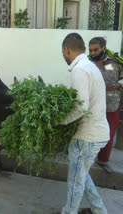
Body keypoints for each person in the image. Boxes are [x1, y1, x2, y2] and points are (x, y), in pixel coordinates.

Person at [54, 33, 110, 214]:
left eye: (63, 53)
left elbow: (80, 108)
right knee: (82, 174)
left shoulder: (79, 70)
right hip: (97, 132)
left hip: (86, 137)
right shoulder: (89, 66)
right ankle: (98, 209)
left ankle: (69, 212)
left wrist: (59, 121)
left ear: (66, 50)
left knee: (75, 181)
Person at [89, 37, 123, 173]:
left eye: (95, 49)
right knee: (90, 133)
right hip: (92, 105)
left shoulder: (115, 62)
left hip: (111, 104)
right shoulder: (87, 62)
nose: (92, 53)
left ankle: (103, 160)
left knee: (108, 134)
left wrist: (119, 84)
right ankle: (88, 157)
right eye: (90, 50)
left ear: (103, 48)